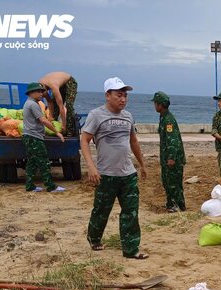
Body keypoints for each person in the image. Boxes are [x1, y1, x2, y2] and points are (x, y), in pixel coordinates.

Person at [81, 77, 149, 259]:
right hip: (106, 175)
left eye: (125, 96)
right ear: (107, 95)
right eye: (119, 95)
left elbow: (133, 141)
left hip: (128, 174)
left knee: (131, 212)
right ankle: (94, 239)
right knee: (101, 210)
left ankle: (131, 249)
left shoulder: (128, 116)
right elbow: (84, 140)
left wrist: (141, 164)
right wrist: (91, 167)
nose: (123, 99)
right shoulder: (96, 115)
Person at [21, 82, 65, 193]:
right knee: (44, 162)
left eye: (42, 91)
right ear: (31, 93)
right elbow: (43, 120)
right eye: (38, 91)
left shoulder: (28, 103)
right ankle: (50, 187)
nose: (42, 94)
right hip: (34, 137)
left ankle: (29, 186)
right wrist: (57, 132)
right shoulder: (33, 104)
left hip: (29, 136)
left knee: (32, 162)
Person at [152, 91, 186, 212]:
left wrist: (171, 158)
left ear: (160, 105)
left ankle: (175, 205)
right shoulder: (163, 117)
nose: (154, 106)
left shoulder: (168, 120)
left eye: (155, 103)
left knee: (173, 183)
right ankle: (175, 204)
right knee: (168, 182)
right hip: (167, 158)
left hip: (173, 159)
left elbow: (173, 141)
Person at [39, 71, 78, 136]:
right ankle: (55, 127)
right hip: (58, 83)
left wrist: (64, 125)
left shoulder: (54, 86)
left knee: (69, 105)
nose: (43, 96)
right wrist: (51, 117)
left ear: (45, 90)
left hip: (70, 81)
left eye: (44, 94)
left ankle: (69, 130)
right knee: (54, 105)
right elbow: (50, 102)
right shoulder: (40, 86)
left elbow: (61, 107)